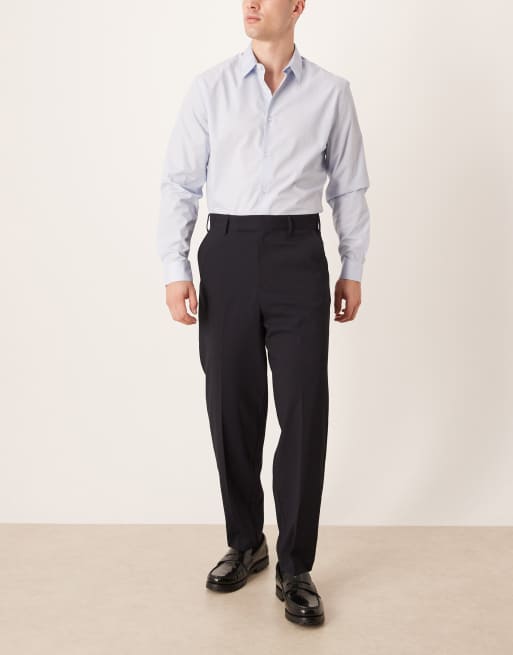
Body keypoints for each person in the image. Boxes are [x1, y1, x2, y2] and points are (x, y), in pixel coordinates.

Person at [156, 0, 370, 627]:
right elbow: (180, 182)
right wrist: (175, 267)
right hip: (226, 252)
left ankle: (296, 566)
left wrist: (353, 266)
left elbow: (349, 186)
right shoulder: (210, 89)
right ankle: (246, 542)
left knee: (303, 407)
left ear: (297, 5)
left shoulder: (331, 93)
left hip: (298, 254)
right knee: (231, 405)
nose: (250, 3)